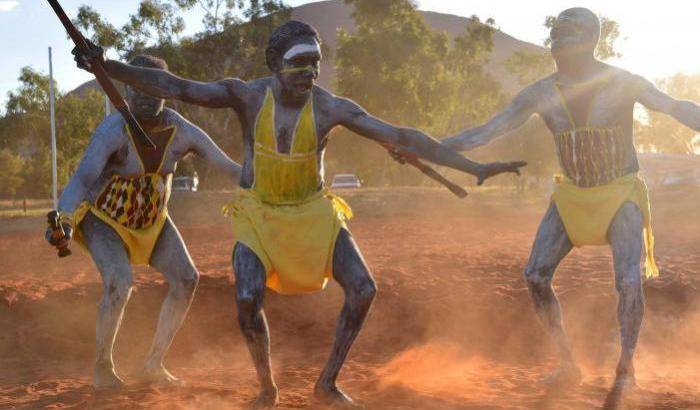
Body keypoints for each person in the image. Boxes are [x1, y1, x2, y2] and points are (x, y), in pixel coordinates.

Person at [72, 21, 525, 408]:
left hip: (314, 213)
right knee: (247, 300)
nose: (308, 72)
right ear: (275, 64)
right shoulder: (247, 96)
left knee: (364, 289)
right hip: (261, 215)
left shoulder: (331, 107)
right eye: (298, 63)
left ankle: (326, 383)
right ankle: (267, 386)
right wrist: (105, 66)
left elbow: (403, 134)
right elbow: (178, 87)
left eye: (315, 63)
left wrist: (473, 166)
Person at [441, 8, 700, 390]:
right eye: (555, 35)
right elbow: (489, 130)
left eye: (567, 35)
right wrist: (432, 147)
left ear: (590, 39)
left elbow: (675, 106)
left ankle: (626, 367)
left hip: (619, 194)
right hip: (571, 197)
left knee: (629, 281)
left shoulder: (623, 83)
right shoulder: (541, 93)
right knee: (535, 275)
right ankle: (567, 364)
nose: (557, 43)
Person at [46, 55, 242, 389]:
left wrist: (271, 178)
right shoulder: (113, 131)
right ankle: (103, 368)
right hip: (103, 220)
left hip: (153, 221)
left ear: (168, 91)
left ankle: (153, 364)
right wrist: (62, 219)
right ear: (126, 89)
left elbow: (229, 167)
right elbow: (81, 180)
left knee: (186, 279)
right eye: (138, 88)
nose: (146, 96)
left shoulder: (181, 130)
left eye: (154, 89)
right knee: (119, 281)